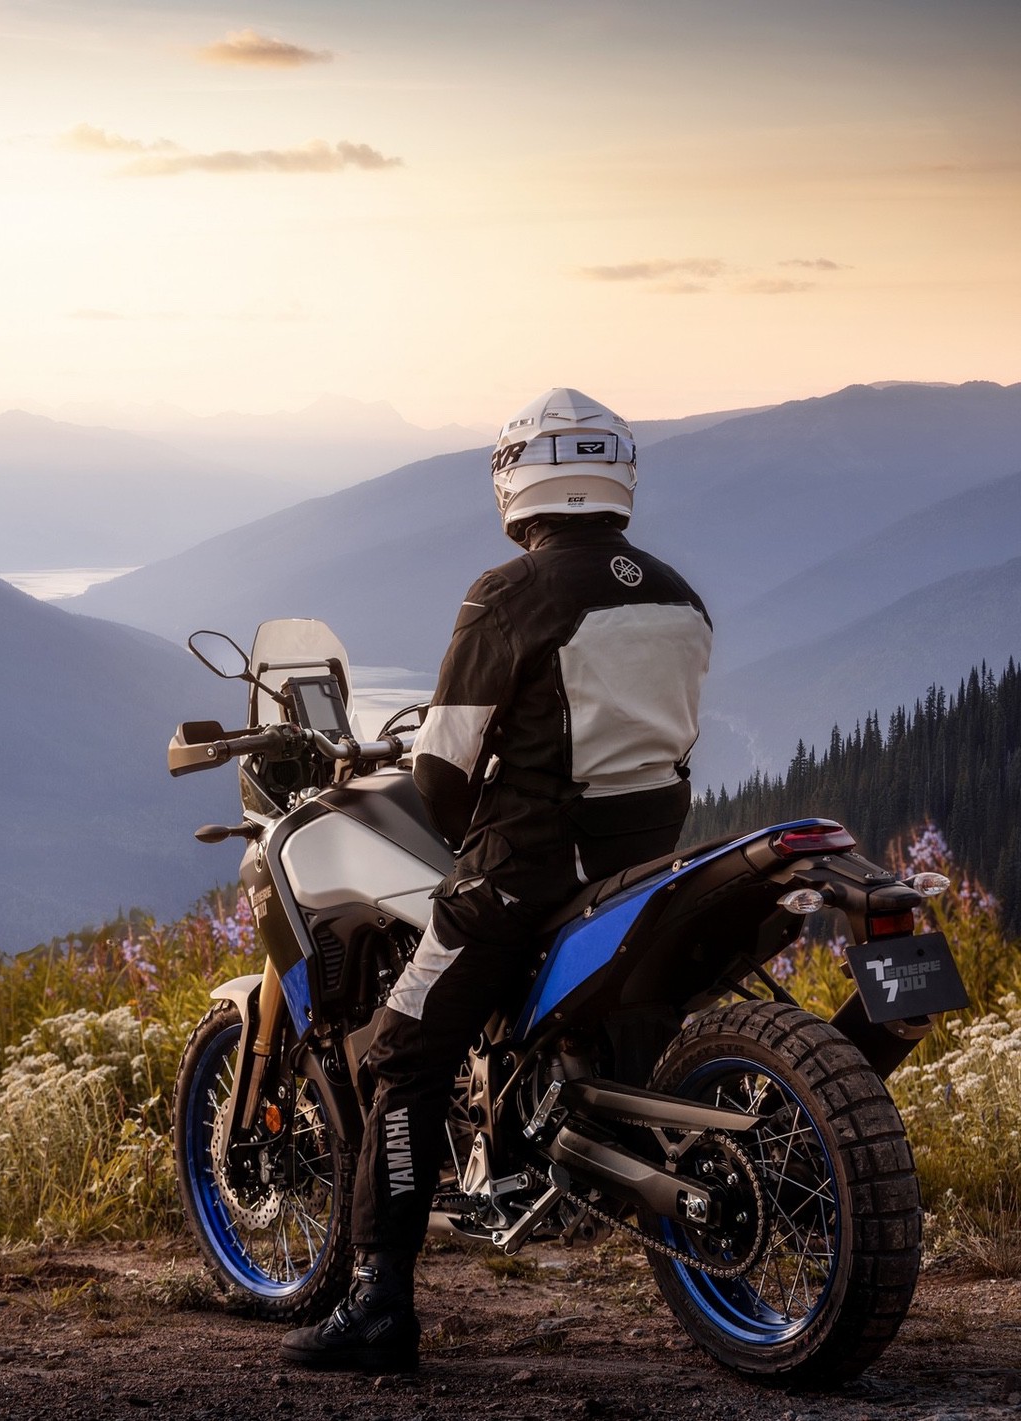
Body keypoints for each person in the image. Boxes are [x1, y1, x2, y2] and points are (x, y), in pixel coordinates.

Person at [280, 387, 713, 1372]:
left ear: (517, 479)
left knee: (400, 1047)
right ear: (616, 474)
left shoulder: (507, 595)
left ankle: (381, 1300)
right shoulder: (678, 594)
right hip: (644, 871)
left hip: (527, 879)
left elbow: (438, 783)